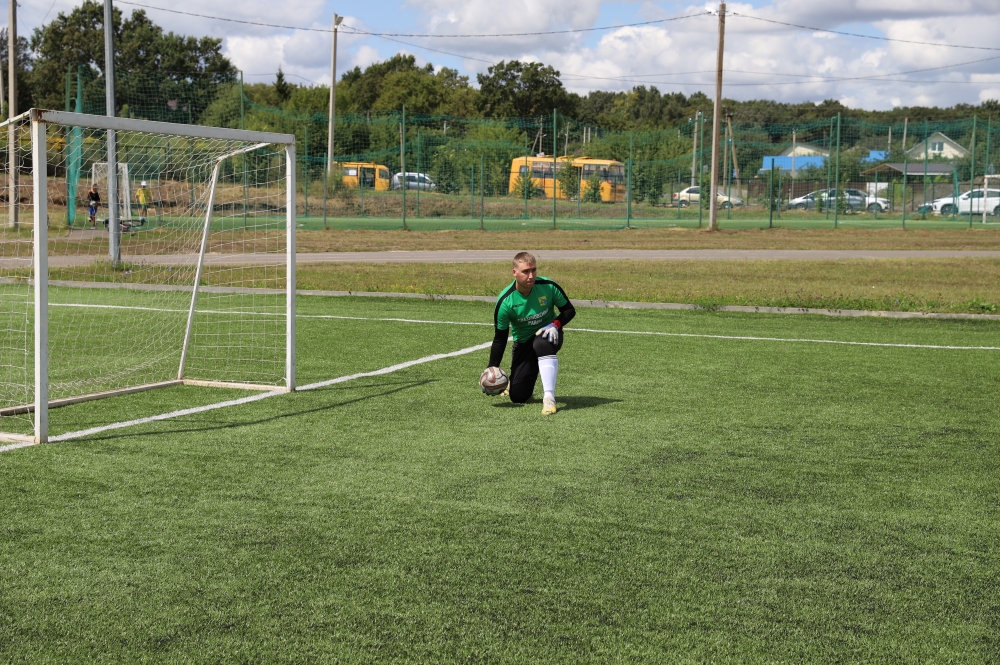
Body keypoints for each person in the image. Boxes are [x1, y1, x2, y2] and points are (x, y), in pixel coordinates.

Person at [485, 252, 576, 416]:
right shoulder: (506, 301)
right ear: (514, 273)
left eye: (533, 270)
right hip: (523, 343)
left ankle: (549, 398)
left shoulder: (548, 286)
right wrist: (492, 369)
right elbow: (500, 338)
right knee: (518, 397)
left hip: (549, 332)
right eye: (525, 271)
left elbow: (569, 310)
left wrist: (556, 324)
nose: (531, 276)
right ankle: (517, 381)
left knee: (541, 343)